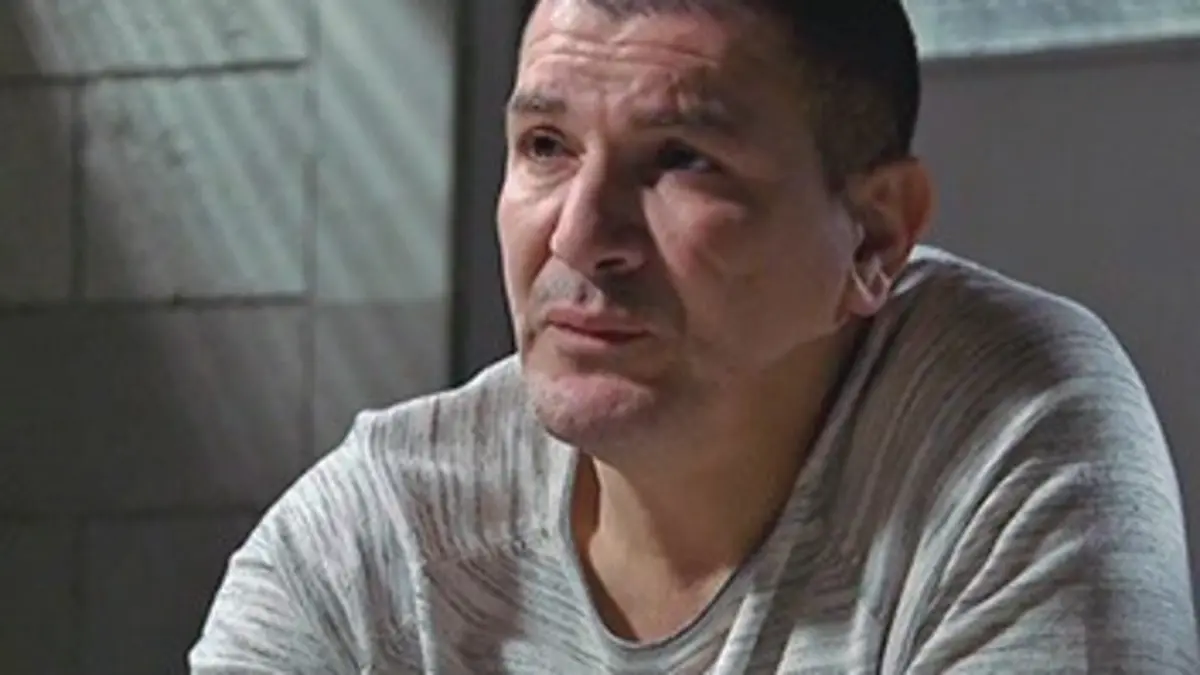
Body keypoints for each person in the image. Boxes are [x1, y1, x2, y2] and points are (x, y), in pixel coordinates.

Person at [190, 0, 1199, 672]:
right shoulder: (385, 543)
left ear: (873, 236)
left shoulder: (1010, 432)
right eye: (545, 147)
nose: (579, 235)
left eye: (681, 159)